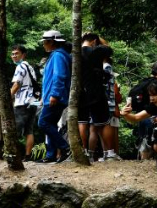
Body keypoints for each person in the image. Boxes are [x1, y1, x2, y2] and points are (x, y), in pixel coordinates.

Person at [37, 30, 72, 164]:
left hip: (55, 97)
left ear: (52, 42)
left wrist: (55, 94)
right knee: (50, 123)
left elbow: (59, 75)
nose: (43, 44)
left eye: (45, 42)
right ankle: (51, 155)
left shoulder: (58, 55)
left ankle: (65, 147)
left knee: (43, 123)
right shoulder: (57, 55)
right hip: (52, 97)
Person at [78, 33, 112, 161]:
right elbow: (108, 49)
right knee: (103, 122)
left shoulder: (74, 54)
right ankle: (109, 152)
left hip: (80, 91)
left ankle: (84, 151)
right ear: (93, 41)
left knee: (82, 121)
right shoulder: (96, 51)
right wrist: (99, 42)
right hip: (96, 91)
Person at [121, 80, 157, 170]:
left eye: (154, 95)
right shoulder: (152, 106)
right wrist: (125, 114)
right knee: (156, 146)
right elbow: (135, 118)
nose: (151, 98)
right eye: (150, 95)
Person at [10, 45, 38, 160]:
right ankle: (27, 156)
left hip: (22, 102)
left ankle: (14, 155)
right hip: (33, 102)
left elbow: (17, 83)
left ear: (23, 55)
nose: (14, 56)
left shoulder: (20, 67)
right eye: (12, 54)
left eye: (16, 53)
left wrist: (8, 96)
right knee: (29, 130)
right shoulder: (30, 67)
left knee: (15, 130)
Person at [130, 62, 157, 160]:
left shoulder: (143, 82)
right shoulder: (156, 84)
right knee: (154, 142)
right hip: (153, 117)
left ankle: (143, 159)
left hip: (142, 115)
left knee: (143, 140)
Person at [99, 53, 122, 160]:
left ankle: (108, 152)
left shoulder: (104, 66)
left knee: (105, 126)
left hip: (106, 101)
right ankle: (110, 152)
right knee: (108, 126)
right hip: (109, 101)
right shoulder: (106, 66)